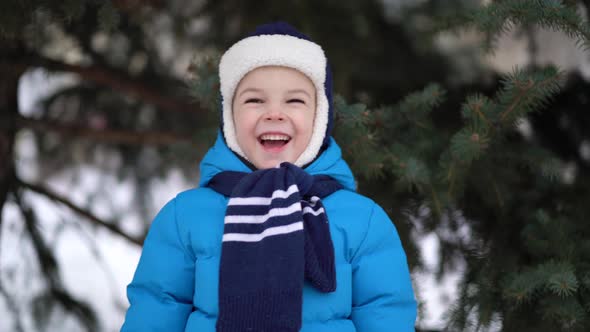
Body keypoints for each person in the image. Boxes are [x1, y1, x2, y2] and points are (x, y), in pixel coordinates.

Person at [120, 22, 416, 332]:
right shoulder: (185, 216)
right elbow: (156, 309)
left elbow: (386, 315)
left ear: (320, 118)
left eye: (295, 101)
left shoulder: (363, 220)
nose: (274, 113)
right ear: (229, 118)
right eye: (255, 100)